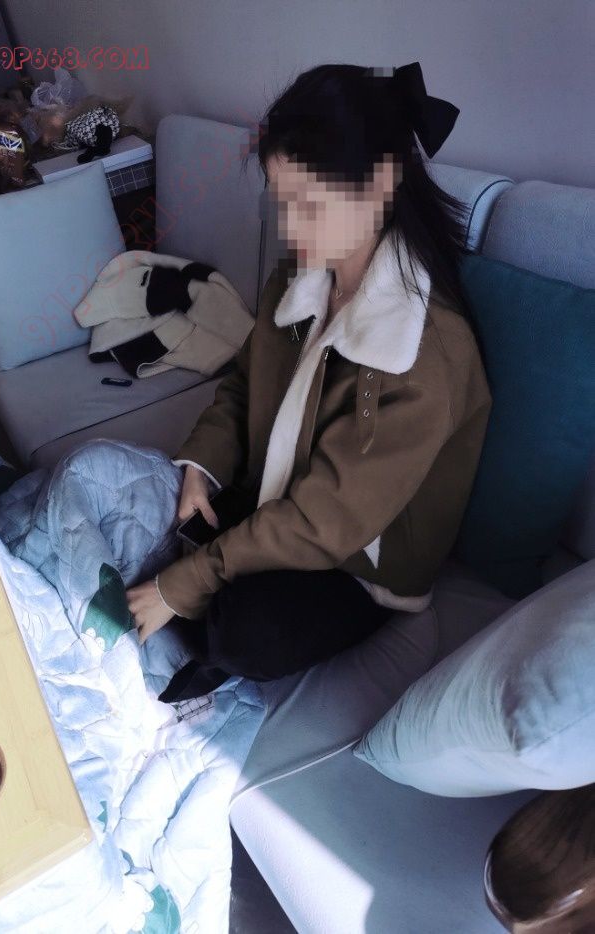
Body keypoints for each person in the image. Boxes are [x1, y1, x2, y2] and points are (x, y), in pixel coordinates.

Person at [126, 61, 492, 702]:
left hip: (358, 559)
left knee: (247, 631)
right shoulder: (301, 277)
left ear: (382, 181)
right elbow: (244, 380)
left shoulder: (424, 352)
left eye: (311, 207)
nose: (291, 230)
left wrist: (189, 581)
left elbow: (328, 521)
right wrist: (202, 466)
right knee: (139, 502)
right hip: (276, 492)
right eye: (282, 202)